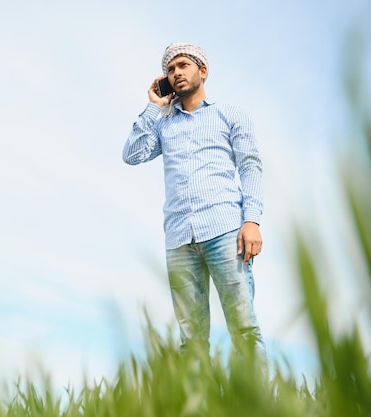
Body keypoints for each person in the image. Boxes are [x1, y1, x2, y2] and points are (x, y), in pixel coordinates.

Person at [123, 42, 267, 361]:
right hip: (178, 239)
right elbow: (131, 155)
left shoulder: (229, 114)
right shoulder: (163, 123)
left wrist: (252, 220)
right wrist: (153, 107)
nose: (176, 73)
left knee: (243, 328)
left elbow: (250, 165)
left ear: (202, 71)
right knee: (191, 340)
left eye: (183, 66)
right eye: (170, 70)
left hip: (226, 232)